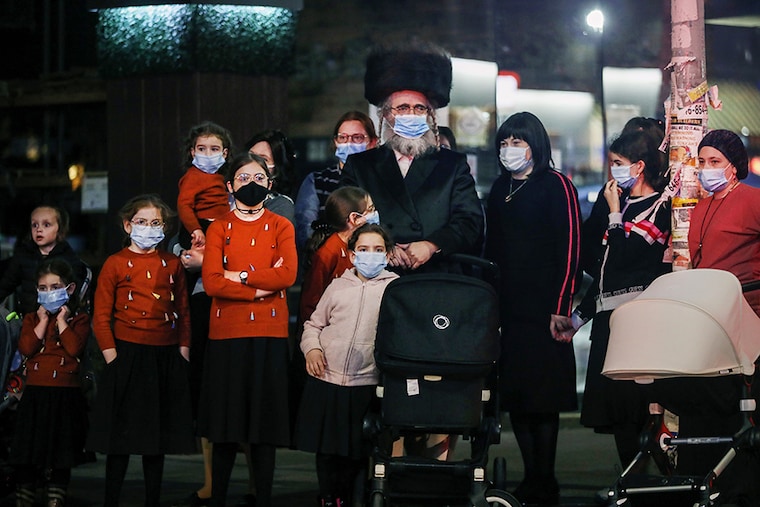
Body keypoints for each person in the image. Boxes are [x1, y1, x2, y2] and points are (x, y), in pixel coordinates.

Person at [556, 130, 671, 466]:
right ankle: (631, 483)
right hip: (609, 324)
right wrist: (577, 319)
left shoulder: (658, 208)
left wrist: (615, 214)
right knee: (618, 414)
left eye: (618, 164)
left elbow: (625, 259)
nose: (614, 172)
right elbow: (606, 276)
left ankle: (655, 484)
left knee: (641, 411)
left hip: (638, 325)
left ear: (639, 166)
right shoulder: (622, 206)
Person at [484, 111, 582, 506]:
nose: (510, 150)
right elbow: (493, 249)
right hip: (509, 308)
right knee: (519, 399)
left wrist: (562, 304)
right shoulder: (499, 188)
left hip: (546, 309)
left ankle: (546, 479)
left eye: (518, 142)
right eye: (505, 143)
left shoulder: (557, 185)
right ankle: (531, 477)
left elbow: (571, 247)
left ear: (535, 145)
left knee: (545, 401)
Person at [198, 152, 297, 507]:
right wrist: (259, 288)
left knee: (264, 427)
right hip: (226, 334)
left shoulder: (282, 225)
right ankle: (219, 498)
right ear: (230, 186)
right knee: (225, 426)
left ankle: (265, 498)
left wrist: (238, 277)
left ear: (269, 185)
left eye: (258, 178)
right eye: (243, 178)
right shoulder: (218, 227)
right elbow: (211, 283)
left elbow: (287, 275)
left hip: (269, 334)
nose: (251, 185)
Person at [87, 194, 194, 507]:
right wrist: (113, 357)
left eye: (156, 223)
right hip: (126, 356)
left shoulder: (172, 263)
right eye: (142, 222)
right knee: (119, 439)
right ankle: (111, 499)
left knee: (155, 439)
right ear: (127, 225)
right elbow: (101, 315)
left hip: (163, 356)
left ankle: (152, 500)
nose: (149, 228)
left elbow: (184, 311)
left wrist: (183, 350)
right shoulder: (115, 263)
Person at [341, 42, 483, 274]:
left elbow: (470, 221)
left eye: (419, 109)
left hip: (438, 275)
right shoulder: (360, 166)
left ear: (430, 115)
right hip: (380, 275)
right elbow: (348, 218)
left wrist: (431, 245)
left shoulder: (452, 165)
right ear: (386, 114)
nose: (412, 115)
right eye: (403, 108)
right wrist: (382, 244)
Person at [295, 223, 398, 507]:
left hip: (364, 383)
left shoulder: (394, 289)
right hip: (327, 379)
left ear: (388, 255)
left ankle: (354, 500)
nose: (370, 255)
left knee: (356, 451)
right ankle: (328, 498)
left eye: (378, 250)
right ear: (352, 255)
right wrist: (312, 349)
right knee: (327, 450)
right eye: (363, 249)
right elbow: (313, 324)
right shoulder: (338, 285)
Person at [10, 258, 90, 507]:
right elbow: (26, 348)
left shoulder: (79, 319)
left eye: (54, 287)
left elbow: (75, 347)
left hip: (65, 395)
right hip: (35, 394)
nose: (48, 293)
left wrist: (62, 321)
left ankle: (56, 494)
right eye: (42, 288)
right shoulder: (32, 318)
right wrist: (44, 321)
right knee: (28, 448)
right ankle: (26, 493)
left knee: (60, 450)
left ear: (69, 289)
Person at [688, 129, 760, 315]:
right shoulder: (700, 208)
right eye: (702, 162)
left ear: (734, 166)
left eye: (715, 162)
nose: (706, 168)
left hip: (746, 307)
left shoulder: (753, 199)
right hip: (708, 307)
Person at [294, 111, 379, 249]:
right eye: (343, 138)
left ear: (372, 142)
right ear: (335, 141)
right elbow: (305, 230)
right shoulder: (317, 181)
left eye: (357, 138)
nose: (349, 143)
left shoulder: (381, 181)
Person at [299, 186, 378, 323]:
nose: (375, 213)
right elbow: (311, 301)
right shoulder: (328, 252)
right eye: (370, 210)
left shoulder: (360, 244)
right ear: (354, 218)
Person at [0, 205, 89, 315]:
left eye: (46, 225)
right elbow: (6, 285)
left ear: (60, 229)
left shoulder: (69, 258)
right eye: (34, 225)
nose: (39, 229)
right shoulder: (24, 255)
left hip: (60, 319)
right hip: (29, 318)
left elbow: (75, 295)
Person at [176, 121, 233, 250]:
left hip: (222, 226)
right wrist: (195, 229)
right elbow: (184, 205)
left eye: (214, 149)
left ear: (224, 153)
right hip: (201, 228)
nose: (208, 154)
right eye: (201, 149)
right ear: (193, 152)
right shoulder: (192, 177)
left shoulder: (223, 177)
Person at [244, 129, 298, 222]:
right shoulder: (228, 196)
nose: (253, 162)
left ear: (276, 168)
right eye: (250, 155)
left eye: (263, 159)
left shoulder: (281, 205)